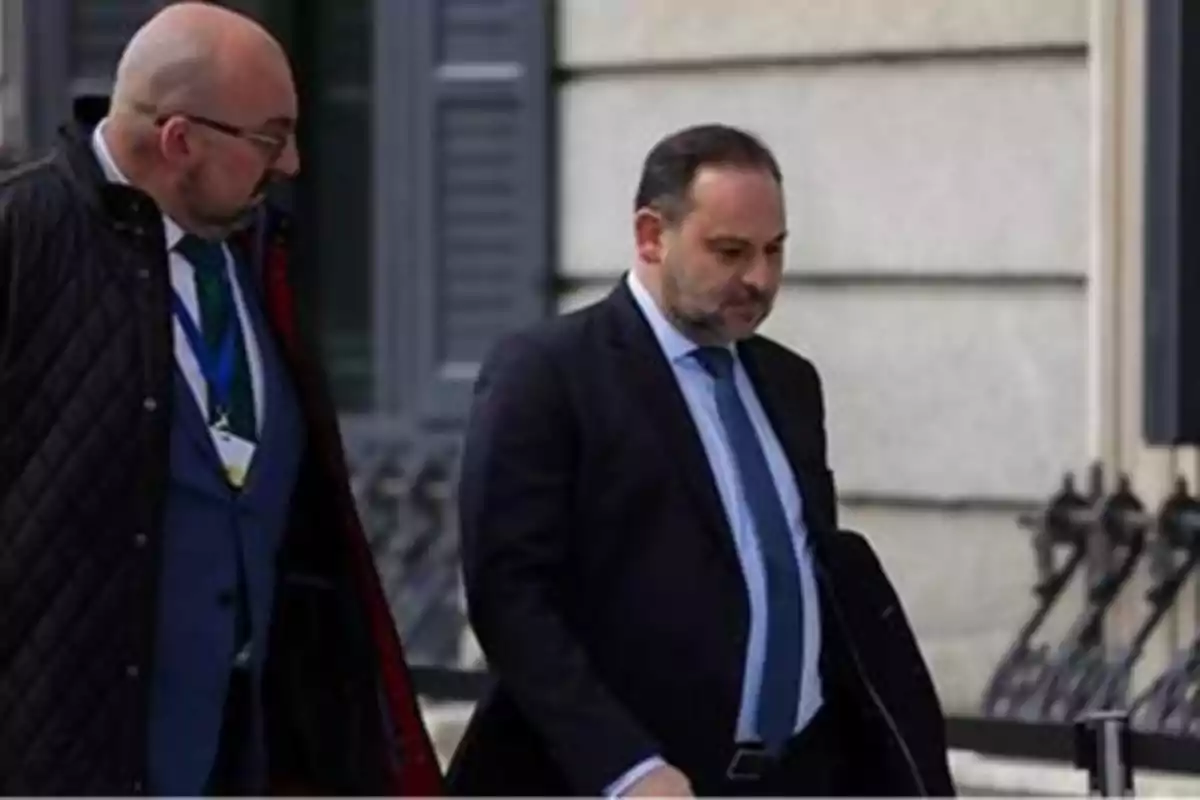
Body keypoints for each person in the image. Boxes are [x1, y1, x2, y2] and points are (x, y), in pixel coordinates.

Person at [0, 3, 442, 796]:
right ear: (179, 140)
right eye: (271, 137)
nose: (294, 164)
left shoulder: (255, 253)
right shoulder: (18, 240)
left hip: (241, 756)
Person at [448, 123, 956, 797]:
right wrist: (625, 768)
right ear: (652, 236)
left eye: (775, 250)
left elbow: (802, 578)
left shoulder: (790, 382)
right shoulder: (548, 373)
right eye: (730, 251)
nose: (760, 278)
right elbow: (509, 598)